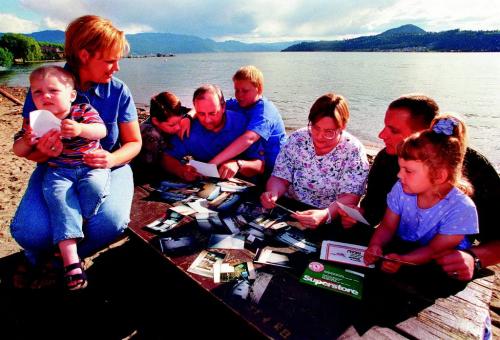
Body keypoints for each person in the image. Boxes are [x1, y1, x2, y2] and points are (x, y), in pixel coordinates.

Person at [10, 15, 141, 288]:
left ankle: (60, 258)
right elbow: (29, 148)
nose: (116, 68)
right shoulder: (46, 87)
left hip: (108, 168)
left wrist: (111, 158)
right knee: (28, 231)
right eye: (109, 60)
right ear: (85, 55)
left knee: (111, 223)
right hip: (57, 169)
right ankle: (45, 253)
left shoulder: (118, 91)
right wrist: (43, 152)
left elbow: (133, 143)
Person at [355, 94, 500, 281]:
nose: (381, 135)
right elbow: (374, 213)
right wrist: (355, 216)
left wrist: (475, 258)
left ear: (425, 134)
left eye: (393, 130)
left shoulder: (475, 168)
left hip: (439, 268)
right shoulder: (386, 158)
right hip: (398, 254)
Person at [13, 65, 111, 289]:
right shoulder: (35, 120)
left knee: (95, 188)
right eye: (37, 92)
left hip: (90, 166)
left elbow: (101, 131)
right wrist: (28, 141)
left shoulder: (82, 111)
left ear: (72, 95)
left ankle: (73, 228)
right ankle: (70, 260)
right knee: (58, 199)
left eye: (53, 90)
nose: (44, 96)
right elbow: (17, 150)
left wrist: (80, 129)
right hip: (58, 171)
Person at [364, 114, 479, 273]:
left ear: (439, 176)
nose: (399, 175)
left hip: (435, 262)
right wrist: (375, 245)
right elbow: (387, 226)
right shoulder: (402, 188)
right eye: (400, 168)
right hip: (404, 247)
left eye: (408, 171)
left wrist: (404, 260)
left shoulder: (461, 209)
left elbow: (434, 250)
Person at [260, 92, 369, 228]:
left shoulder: (354, 151)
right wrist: (273, 193)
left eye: (329, 132)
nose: (319, 136)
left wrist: (325, 214)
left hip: (330, 215)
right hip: (292, 208)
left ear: (342, 127)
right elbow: (280, 177)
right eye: (315, 128)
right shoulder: (298, 139)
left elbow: (350, 196)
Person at [161, 84, 265, 181]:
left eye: (212, 113)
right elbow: (167, 158)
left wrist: (239, 164)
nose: (207, 120)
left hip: (243, 184)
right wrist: (181, 170)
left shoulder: (242, 124)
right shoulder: (189, 129)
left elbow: (261, 166)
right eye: (201, 114)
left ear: (223, 107)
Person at [208, 65, 287, 176]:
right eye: (237, 90)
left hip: (276, 168)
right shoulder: (237, 104)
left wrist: (213, 163)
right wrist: (189, 117)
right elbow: (210, 106)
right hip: (253, 160)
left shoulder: (265, 111)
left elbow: (248, 139)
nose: (239, 95)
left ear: (259, 89)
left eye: (245, 91)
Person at [133, 91, 192, 181]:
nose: (178, 128)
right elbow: (155, 165)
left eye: (179, 122)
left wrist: (188, 118)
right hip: (145, 170)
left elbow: (195, 109)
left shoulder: (170, 113)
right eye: (172, 125)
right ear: (156, 121)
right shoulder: (151, 135)